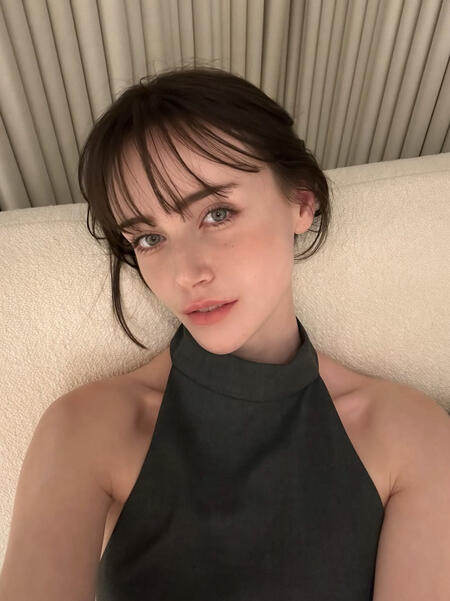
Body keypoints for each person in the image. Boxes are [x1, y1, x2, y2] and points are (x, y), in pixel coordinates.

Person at [2, 65, 448, 601]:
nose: (185, 273)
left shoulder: (412, 433)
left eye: (217, 213)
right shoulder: (87, 428)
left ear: (301, 202)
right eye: (148, 238)